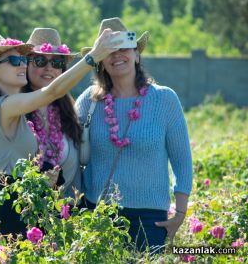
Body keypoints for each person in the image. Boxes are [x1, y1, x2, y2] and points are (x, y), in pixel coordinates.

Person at [0, 29, 122, 236]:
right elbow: (53, 91)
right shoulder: (5, 106)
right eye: (13, 60)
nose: (22, 63)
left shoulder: (29, 110)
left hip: (27, 205)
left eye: (22, 59)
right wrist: (93, 57)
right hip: (8, 207)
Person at [76, 17, 193, 253]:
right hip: (97, 215)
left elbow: (182, 161)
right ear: (100, 61)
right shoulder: (89, 100)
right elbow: (63, 143)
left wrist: (180, 213)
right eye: (109, 50)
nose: (117, 54)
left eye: (124, 48)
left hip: (150, 219)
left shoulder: (165, 99)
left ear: (137, 55)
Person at [0, 28, 82, 198]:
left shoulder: (71, 111)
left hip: (63, 213)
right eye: (40, 61)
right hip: (20, 208)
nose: (49, 68)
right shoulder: (12, 106)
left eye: (57, 63)